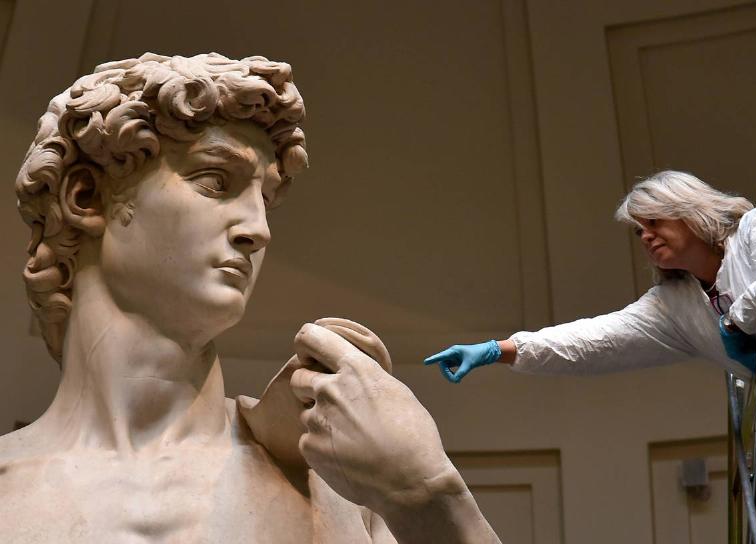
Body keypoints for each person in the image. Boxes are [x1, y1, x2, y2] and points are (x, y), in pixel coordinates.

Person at [0, 52, 499, 543]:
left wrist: (430, 496)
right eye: (216, 181)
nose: (258, 231)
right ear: (85, 197)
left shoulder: (341, 484)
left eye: (264, 199)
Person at [425, 170, 756, 530]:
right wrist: (496, 350)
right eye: (638, 230)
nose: (645, 236)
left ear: (689, 210)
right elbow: (595, 342)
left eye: (653, 221)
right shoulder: (675, 305)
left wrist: (733, 323)